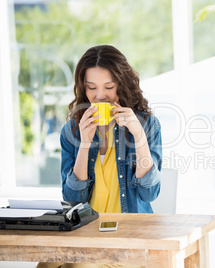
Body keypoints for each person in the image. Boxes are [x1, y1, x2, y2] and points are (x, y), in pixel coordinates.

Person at [37, 45, 162, 268]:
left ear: (122, 85)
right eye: (91, 87)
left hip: (129, 236)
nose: (99, 96)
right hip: (86, 232)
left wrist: (139, 136)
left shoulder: (146, 124)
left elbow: (149, 192)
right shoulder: (72, 130)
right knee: (46, 264)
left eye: (109, 87)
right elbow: (73, 199)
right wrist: (84, 144)